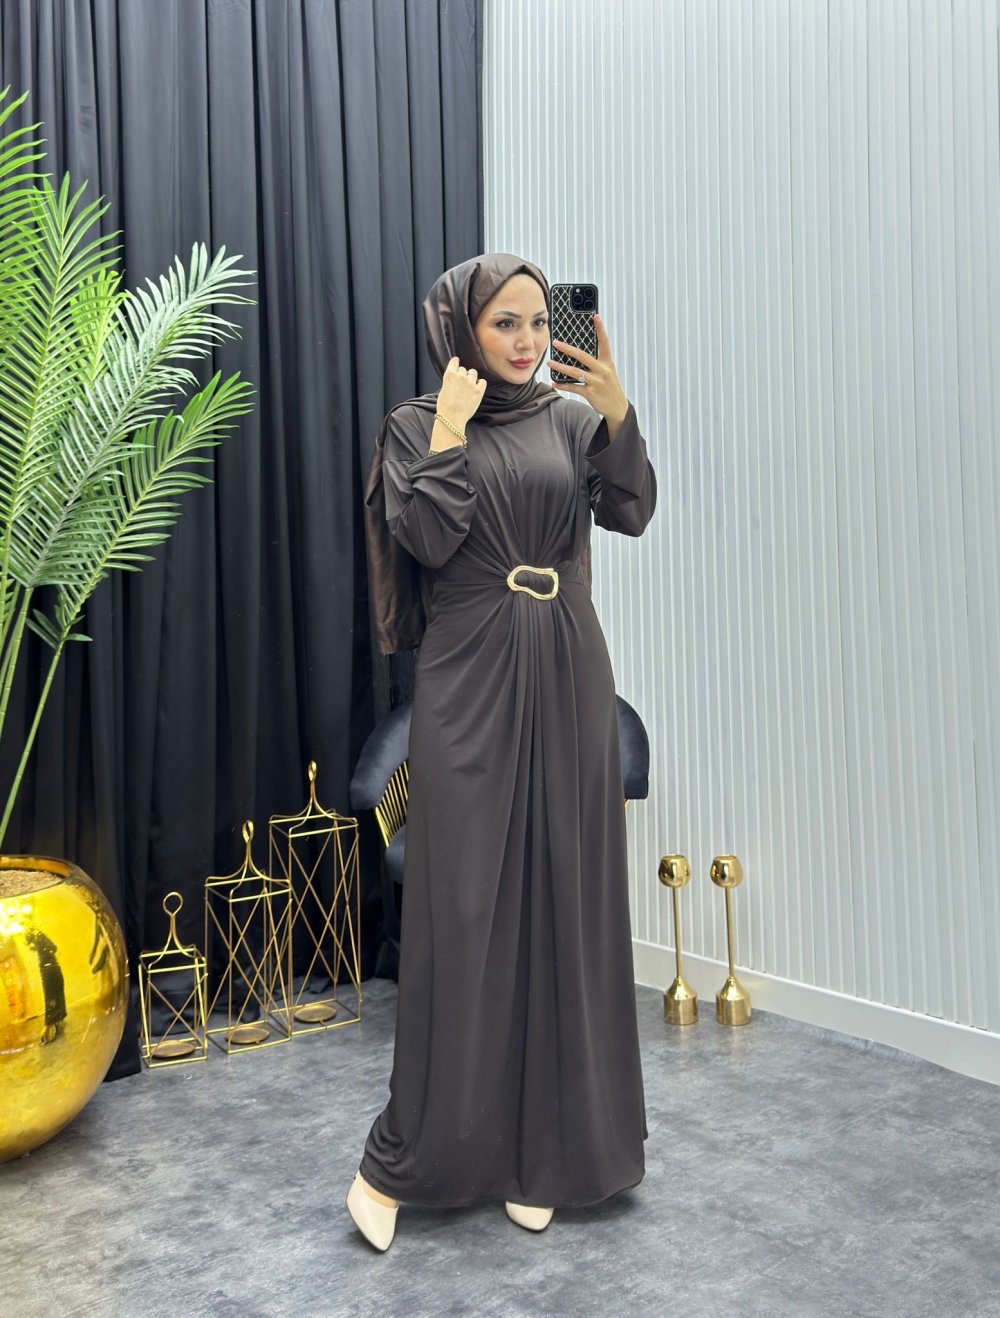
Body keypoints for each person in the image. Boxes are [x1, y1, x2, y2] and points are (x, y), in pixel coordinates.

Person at [349, 254, 656, 1250]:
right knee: (464, 906)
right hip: (470, 663)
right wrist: (448, 430)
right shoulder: (414, 425)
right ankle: (410, 1159)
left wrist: (615, 413)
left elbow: (630, 509)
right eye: (503, 324)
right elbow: (429, 541)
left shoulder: (568, 419)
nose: (526, 341)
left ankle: (549, 1153)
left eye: (536, 321)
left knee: (566, 897)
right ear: (460, 333)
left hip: (567, 659)